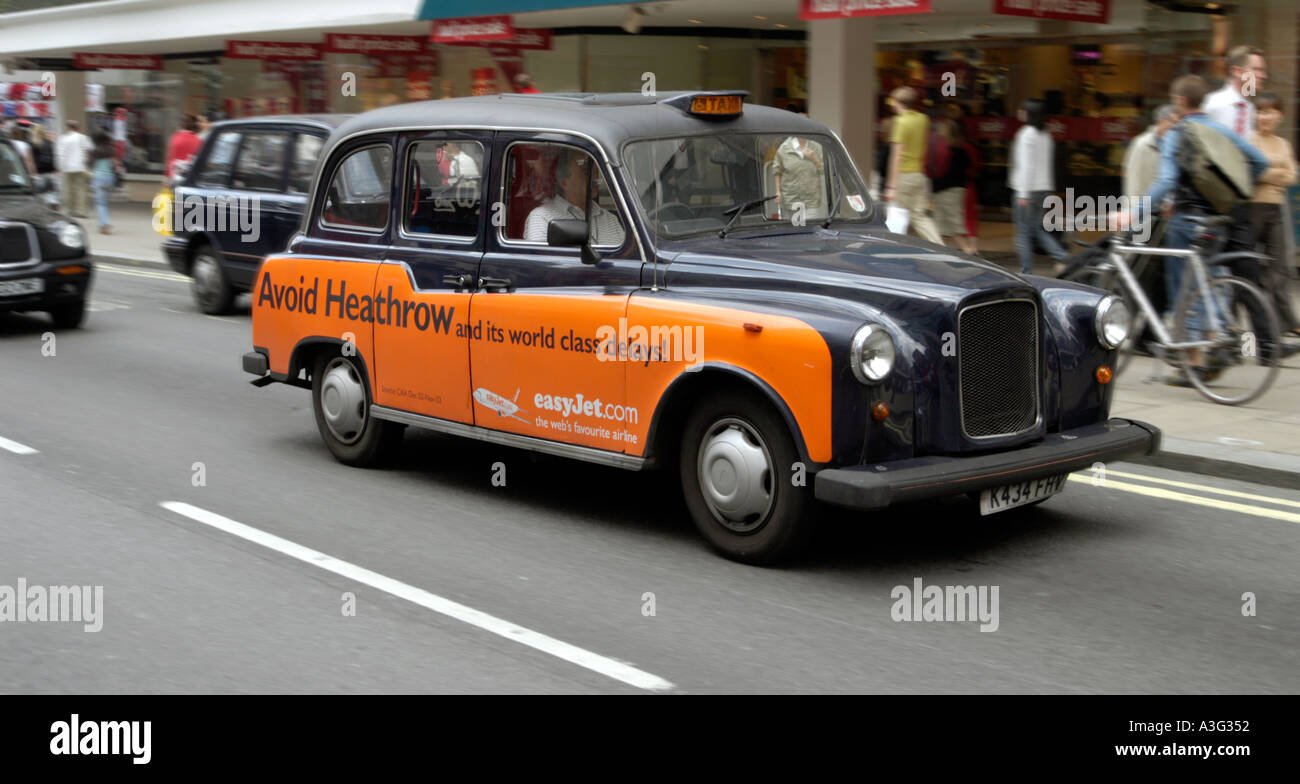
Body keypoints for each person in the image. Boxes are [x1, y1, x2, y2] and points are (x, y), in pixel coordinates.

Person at [1128, 74, 1269, 381]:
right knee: (1211, 278)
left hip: (1185, 219)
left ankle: (1194, 363)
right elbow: (1259, 161)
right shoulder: (1220, 129)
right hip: (1218, 219)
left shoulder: (1178, 133)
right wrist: (1238, 191)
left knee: (1183, 289)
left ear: (1179, 101)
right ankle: (1220, 334)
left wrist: (1135, 212)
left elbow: (1165, 180)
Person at [1246, 93, 1300, 340]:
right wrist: (1276, 173)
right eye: (1261, 111)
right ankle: (1245, 326)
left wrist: (1269, 172)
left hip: (1276, 209)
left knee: (1278, 268)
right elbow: (1252, 173)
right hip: (1252, 209)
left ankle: (1286, 322)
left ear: (1280, 115)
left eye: (1270, 112)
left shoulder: (1283, 144)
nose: (1264, 117)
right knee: (1247, 267)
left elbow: (1292, 177)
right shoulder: (1249, 140)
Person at [1009, 98, 1067, 275]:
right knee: (1036, 229)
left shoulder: (1026, 134)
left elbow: (1027, 166)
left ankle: (1026, 271)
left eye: (1022, 109)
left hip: (1027, 189)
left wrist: (1023, 194)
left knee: (1023, 233)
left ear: (1028, 113)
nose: (1019, 112)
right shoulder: (1046, 135)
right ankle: (1061, 256)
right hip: (1043, 189)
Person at [523, 148, 624, 246]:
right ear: (563, 182)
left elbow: (624, 259)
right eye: (586, 171)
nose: (595, 178)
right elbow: (541, 259)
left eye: (596, 171)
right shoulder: (542, 217)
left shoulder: (610, 218)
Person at [883, 86, 943, 245]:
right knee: (920, 217)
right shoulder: (923, 119)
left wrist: (891, 187)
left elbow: (896, 156)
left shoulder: (901, 122)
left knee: (896, 217)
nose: (892, 105)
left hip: (904, 176)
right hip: (919, 176)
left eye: (893, 102)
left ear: (898, 103)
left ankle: (891, 251)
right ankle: (940, 247)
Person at [930, 119, 975, 254]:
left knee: (951, 225)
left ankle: (968, 250)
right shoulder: (962, 151)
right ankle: (940, 251)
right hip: (955, 191)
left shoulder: (948, 152)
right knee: (942, 225)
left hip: (945, 192)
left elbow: (944, 175)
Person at [1123, 105, 1176, 200]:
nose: (1176, 127)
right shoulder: (1142, 144)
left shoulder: (1173, 144)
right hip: (1144, 209)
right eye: (1173, 122)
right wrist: (1135, 211)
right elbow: (1133, 182)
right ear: (1162, 122)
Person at [772, 135, 826, 222]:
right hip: (790, 200)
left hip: (811, 200)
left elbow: (824, 170)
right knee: (793, 231)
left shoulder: (816, 147)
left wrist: (814, 158)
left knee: (810, 229)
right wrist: (778, 191)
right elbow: (777, 170)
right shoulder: (784, 147)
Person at [56, 120, 94, 218]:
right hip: (80, 166)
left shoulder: (63, 138)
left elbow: (60, 154)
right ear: (77, 128)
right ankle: (81, 211)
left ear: (68, 128)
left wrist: (61, 167)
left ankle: (70, 210)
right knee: (81, 189)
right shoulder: (83, 137)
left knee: (69, 188)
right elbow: (90, 149)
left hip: (68, 167)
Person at [89, 132, 119, 234]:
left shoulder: (94, 151)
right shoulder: (111, 150)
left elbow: (90, 165)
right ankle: (104, 223)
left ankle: (104, 224)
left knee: (100, 203)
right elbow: (115, 164)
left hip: (98, 177)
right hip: (109, 177)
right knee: (105, 203)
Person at [164, 114, 202, 182]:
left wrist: (166, 176)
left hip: (174, 175)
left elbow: (169, 157)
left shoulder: (175, 138)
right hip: (190, 176)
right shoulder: (198, 140)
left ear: (182, 124)